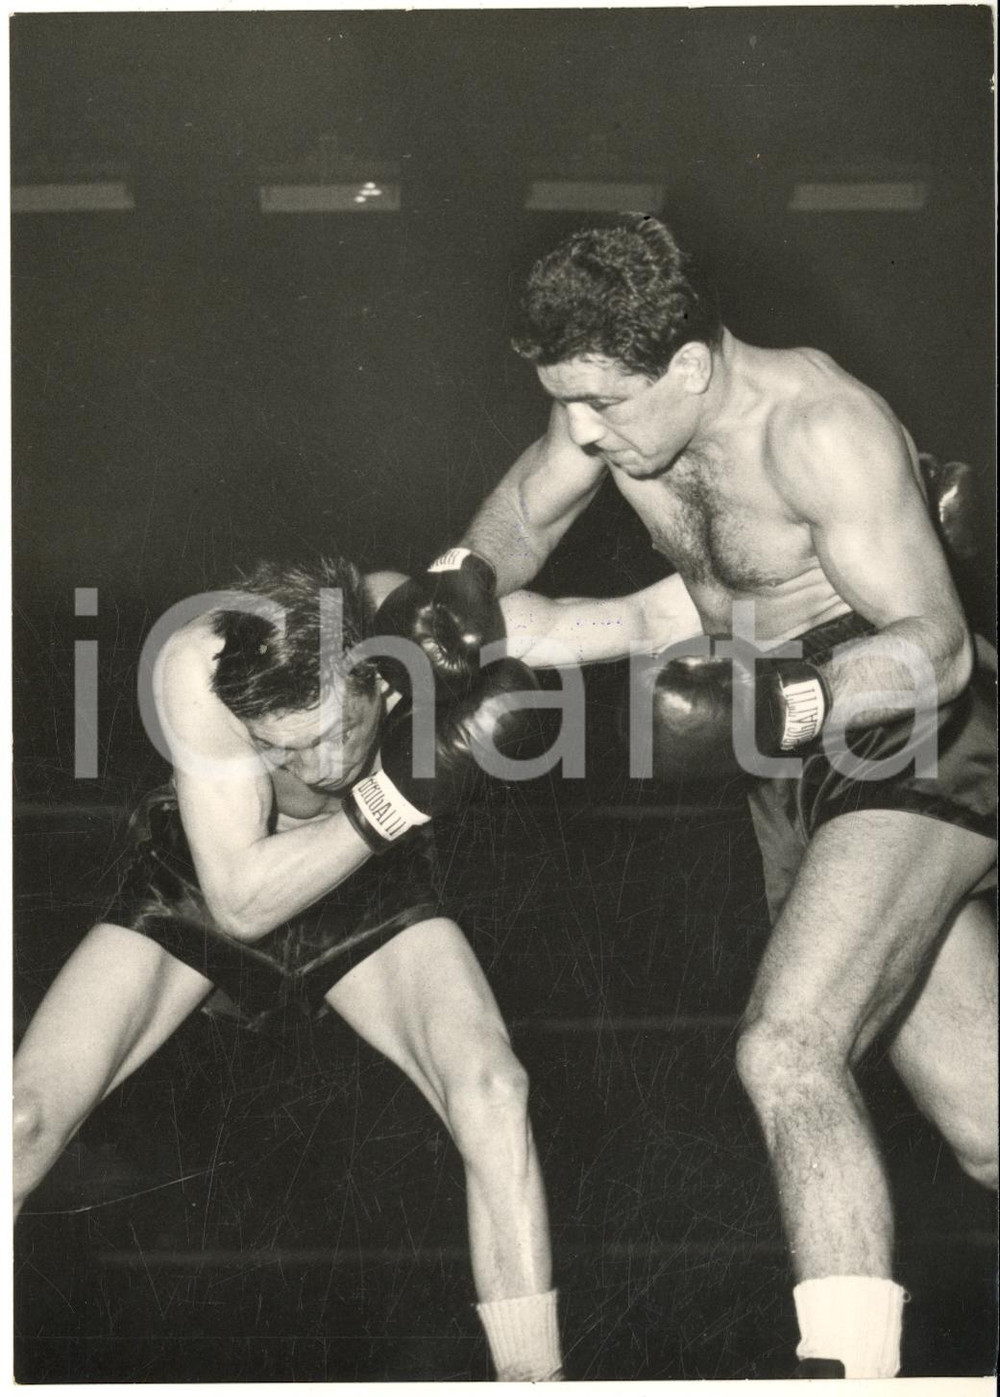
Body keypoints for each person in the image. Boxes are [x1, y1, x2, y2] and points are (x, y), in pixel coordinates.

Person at [375, 217, 998, 1380]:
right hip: (786, 761)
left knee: (788, 1045)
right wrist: (467, 574)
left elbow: (942, 648)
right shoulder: (609, 411)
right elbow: (525, 509)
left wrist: (794, 703)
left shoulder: (822, 428)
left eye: (602, 403)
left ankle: (847, 1377)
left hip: (901, 724)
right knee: (983, 1130)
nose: (581, 431)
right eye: (565, 401)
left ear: (692, 366)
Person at [12, 557, 564, 1383]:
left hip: (362, 881)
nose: (313, 768)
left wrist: (774, 629)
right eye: (283, 748)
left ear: (374, 673)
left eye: (333, 731)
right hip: (220, 876)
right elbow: (238, 904)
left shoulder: (401, 624)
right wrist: (390, 802)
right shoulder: (193, 665)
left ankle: (539, 1382)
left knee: (493, 1088)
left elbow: (610, 623)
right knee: (17, 1120)